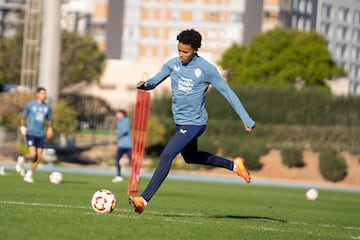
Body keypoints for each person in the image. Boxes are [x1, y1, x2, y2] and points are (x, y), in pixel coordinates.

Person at [128, 29, 255, 214]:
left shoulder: (206, 69)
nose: (181, 55)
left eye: (185, 52)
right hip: (181, 123)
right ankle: (235, 165)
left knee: (166, 155)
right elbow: (154, 81)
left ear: (195, 49)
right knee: (191, 157)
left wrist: (246, 118)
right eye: (179, 50)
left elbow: (228, 92)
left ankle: (144, 200)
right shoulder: (172, 65)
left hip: (195, 123)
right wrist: (145, 85)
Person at [16, 87, 53, 183]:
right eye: (42, 93)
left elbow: (49, 120)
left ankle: (28, 175)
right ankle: (22, 158)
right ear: (37, 94)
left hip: (40, 134)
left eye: (45, 93)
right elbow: (23, 117)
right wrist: (22, 127)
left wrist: (49, 128)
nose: (44, 95)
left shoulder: (47, 107)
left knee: (39, 157)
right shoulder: (30, 105)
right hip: (31, 133)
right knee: (33, 154)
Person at [112, 109, 132, 183]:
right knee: (118, 159)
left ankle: (135, 176)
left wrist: (118, 132)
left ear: (122, 114)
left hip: (126, 144)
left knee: (131, 160)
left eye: (118, 113)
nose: (116, 115)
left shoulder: (124, 121)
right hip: (122, 144)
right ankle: (119, 176)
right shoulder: (120, 121)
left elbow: (125, 130)